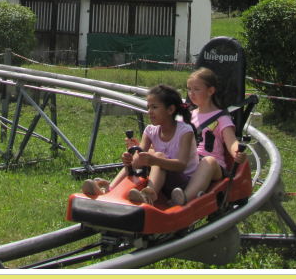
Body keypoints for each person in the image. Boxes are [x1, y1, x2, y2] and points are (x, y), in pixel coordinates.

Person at [81, 84, 199, 205]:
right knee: (142, 159)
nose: (149, 112)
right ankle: (109, 189)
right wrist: (129, 159)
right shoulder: (150, 130)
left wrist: (155, 160)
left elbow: (181, 165)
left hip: (181, 184)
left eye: (154, 107)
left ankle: (149, 196)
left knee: (158, 156)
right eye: (148, 107)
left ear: (170, 110)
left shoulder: (185, 131)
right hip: (161, 179)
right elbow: (138, 159)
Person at [169, 67, 246, 206]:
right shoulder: (185, 116)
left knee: (208, 161)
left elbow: (232, 142)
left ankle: (183, 199)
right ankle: (149, 191)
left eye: (196, 89)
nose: (191, 93)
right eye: (189, 89)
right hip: (188, 160)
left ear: (210, 91)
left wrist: (237, 152)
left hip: (212, 165)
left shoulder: (222, 118)